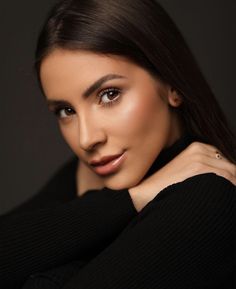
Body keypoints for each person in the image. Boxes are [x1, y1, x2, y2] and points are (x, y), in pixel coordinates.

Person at [1, 0, 235, 288]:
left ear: (172, 83)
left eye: (109, 94)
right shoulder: (92, 176)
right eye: (66, 111)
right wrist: (133, 198)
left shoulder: (211, 196)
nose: (86, 139)